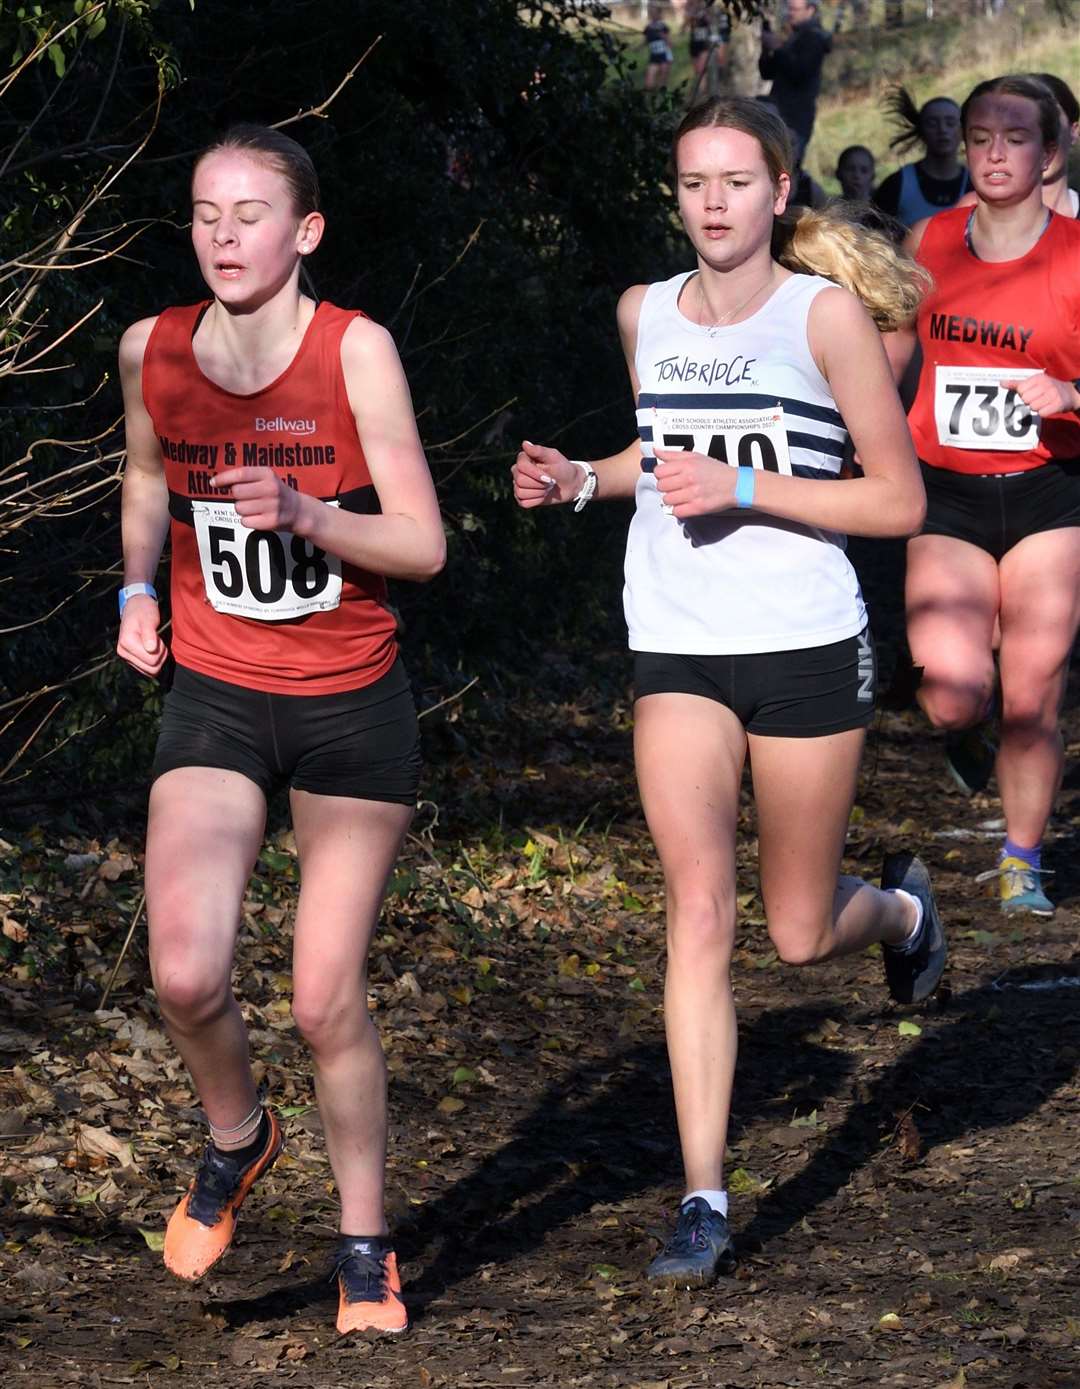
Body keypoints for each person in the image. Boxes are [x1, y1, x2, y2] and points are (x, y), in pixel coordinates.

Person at [512, 96, 943, 1286]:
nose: (713, 202)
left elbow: (896, 503)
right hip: (679, 643)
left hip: (804, 642)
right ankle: (703, 1198)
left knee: (798, 933)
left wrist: (748, 491)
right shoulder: (642, 312)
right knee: (699, 909)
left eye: (736, 182)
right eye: (694, 182)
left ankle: (903, 914)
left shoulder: (829, 319)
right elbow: (661, 458)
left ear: (780, 194)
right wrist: (580, 484)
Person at [116, 124, 445, 1335]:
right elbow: (148, 475)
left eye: (250, 214)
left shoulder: (355, 352)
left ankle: (365, 1243)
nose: (223, 235)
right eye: (206, 212)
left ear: (303, 232)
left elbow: (423, 542)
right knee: (186, 971)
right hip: (214, 692)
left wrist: (312, 513)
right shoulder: (150, 348)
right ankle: (239, 1137)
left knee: (321, 996)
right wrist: (138, 588)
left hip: (351, 706)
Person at [892, 75, 1080, 915]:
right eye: (980, 137)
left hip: (1051, 494)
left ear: (1051, 152)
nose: (996, 152)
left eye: (1015, 136)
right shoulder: (927, 241)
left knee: (1034, 687)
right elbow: (887, 353)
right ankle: (967, 731)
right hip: (949, 497)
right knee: (948, 689)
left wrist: (1072, 398)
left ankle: (1021, 859)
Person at [872, 88, 971, 228]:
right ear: (921, 131)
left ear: (963, 130)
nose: (942, 130)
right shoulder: (896, 185)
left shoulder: (977, 186)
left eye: (950, 123)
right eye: (932, 123)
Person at [758, 0, 832, 155]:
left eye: (794, 9)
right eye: (788, 9)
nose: (789, 13)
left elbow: (800, 73)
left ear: (810, 9)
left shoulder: (814, 38)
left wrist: (778, 48)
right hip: (780, 113)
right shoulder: (795, 37)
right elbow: (767, 73)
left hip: (796, 117)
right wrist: (767, 50)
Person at [684, 0, 730, 101]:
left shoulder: (709, 11)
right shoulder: (690, 12)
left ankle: (704, 94)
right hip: (694, 43)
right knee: (697, 71)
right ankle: (701, 93)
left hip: (704, 44)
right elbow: (685, 26)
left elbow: (713, 22)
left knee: (702, 70)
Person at [643, 4, 674, 92]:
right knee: (649, 81)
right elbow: (645, 41)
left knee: (663, 80)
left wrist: (664, 37)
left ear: (659, 14)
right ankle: (651, 93)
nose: (653, 15)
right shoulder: (648, 27)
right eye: (651, 13)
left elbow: (670, 44)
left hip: (664, 55)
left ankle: (662, 96)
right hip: (654, 56)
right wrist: (637, 48)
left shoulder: (663, 27)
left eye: (655, 13)